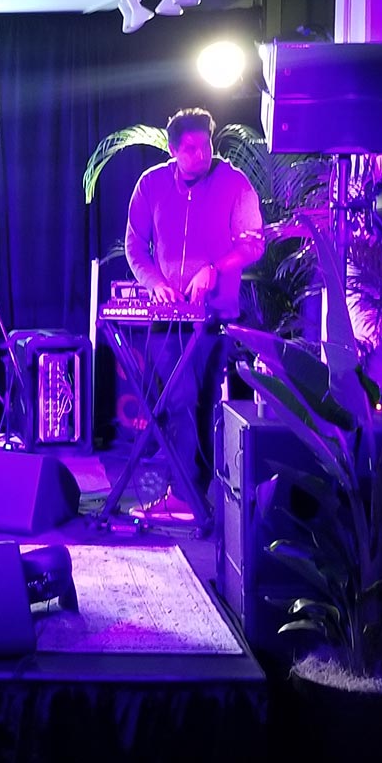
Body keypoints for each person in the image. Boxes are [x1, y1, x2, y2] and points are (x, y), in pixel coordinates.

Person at [124, 108, 264, 520]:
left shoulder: (234, 183)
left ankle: (201, 496)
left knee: (205, 407)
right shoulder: (150, 185)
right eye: (190, 148)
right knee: (180, 401)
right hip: (169, 320)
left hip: (216, 315)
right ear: (172, 150)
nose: (200, 154)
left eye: (205, 145)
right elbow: (134, 246)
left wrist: (215, 269)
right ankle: (185, 496)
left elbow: (253, 242)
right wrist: (155, 284)